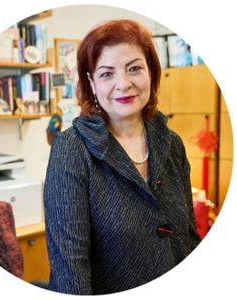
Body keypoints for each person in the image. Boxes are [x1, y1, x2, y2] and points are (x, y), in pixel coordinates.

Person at [43, 19, 201, 295]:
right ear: (91, 82)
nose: (124, 84)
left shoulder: (171, 142)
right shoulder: (72, 149)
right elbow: (70, 267)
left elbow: (188, 236)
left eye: (135, 68)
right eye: (107, 74)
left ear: (151, 72)